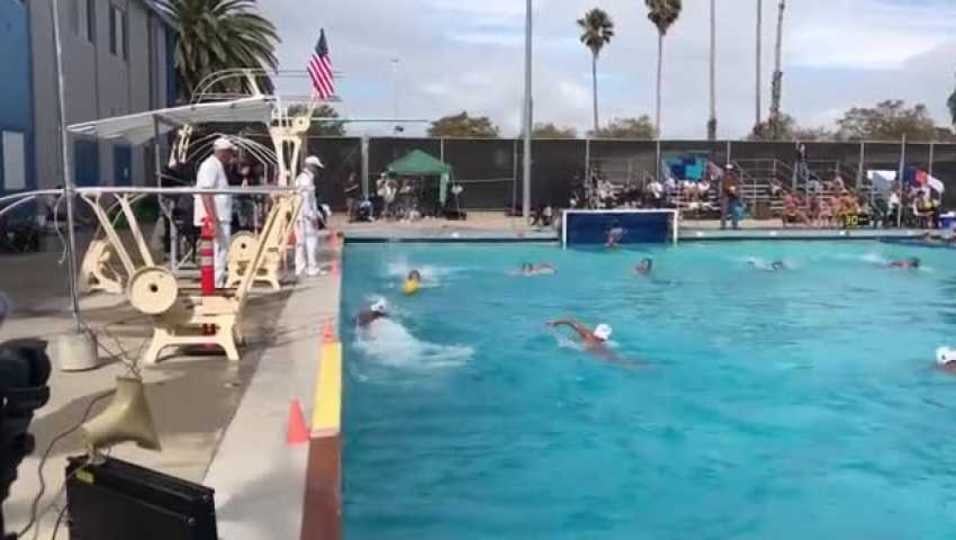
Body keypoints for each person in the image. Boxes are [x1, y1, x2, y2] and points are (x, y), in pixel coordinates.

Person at [194, 137, 236, 287]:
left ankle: (216, 284)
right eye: (230, 153)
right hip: (216, 217)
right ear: (223, 152)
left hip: (220, 217)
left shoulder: (217, 166)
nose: (231, 157)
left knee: (221, 251)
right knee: (218, 252)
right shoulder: (210, 166)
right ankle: (215, 285)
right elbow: (206, 193)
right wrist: (214, 220)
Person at [294, 156, 325, 277]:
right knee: (311, 241)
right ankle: (312, 267)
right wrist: (312, 216)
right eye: (316, 167)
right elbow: (306, 200)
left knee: (300, 242)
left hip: (300, 215)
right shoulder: (306, 180)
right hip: (305, 216)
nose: (317, 171)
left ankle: (300, 268)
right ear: (311, 166)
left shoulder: (301, 178)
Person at [547, 319, 620, 361]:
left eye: (602, 339)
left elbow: (613, 358)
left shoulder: (601, 344)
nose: (601, 339)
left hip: (589, 348)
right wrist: (555, 322)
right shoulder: (586, 334)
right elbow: (571, 322)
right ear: (595, 333)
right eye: (600, 337)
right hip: (581, 347)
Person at [720, 164, 741, 230]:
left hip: (733, 196)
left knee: (734, 211)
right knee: (724, 211)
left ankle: (735, 225)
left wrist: (736, 191)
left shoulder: (735, 176)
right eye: (727, 169)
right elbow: (724, 186)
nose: (729, 171)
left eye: (730, 169)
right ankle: (723, 226)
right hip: (725, 196)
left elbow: (738, 184)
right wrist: (731, 189)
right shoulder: (723, 177)